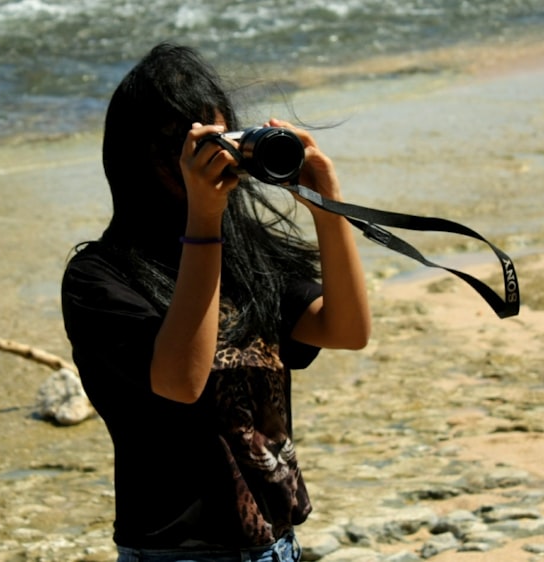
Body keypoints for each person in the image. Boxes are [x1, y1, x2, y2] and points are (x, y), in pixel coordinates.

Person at [61, 42, 371, 562]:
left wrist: (327, 203)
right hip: (175, 552)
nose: (208, 160)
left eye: (219, 139)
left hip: (275, 544)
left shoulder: (249, 256)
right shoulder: (100, 278)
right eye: (185, 145)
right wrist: (203, 222)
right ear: (138, 155)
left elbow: (346, 330)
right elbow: (182, 381)